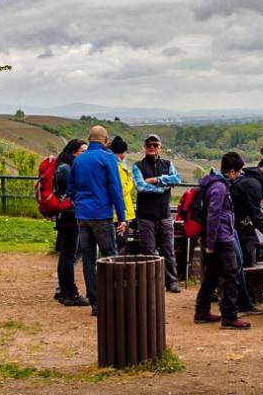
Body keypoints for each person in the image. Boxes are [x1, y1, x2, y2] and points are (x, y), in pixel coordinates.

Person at [67, 125, 126, 316]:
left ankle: (95, 303)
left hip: (82, 216)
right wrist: (122, 217)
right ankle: (116, 300)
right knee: (111, 256)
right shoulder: (108, 158)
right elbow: (115, 189)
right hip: (101, 215)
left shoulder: (79, 159)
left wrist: (80, 204)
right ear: (105, 140)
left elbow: (71, 189)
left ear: (89, 139)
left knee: (88, 260)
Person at [194, 152, 251, 329]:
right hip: (222, 237)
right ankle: (230, 316)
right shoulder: (219, 187)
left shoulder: (214, 183)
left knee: (212, 274)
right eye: (239, 171)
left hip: (216, 236)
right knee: (231, 274)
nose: (239, 174)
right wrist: (210, 244)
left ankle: (202, 311)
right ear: (232, 171)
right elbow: (213, 215)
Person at [132, 134, 182, 293]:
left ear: (160, 147)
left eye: (155, 144)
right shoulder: (137, 166)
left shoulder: (168, 163)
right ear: (144, 147)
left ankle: (171, 282)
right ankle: (152, 284)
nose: (152, 147)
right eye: (149, 145)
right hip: (145, 216)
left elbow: (177, 179)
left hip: (165, 215)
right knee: (148, 252)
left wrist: (156, 179)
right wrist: (163, 187)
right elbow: (140, 186)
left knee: (169, 250)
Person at [54, 138, 88, 306]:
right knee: (69, 255)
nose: (85, 155)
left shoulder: (63, 166)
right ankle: (69, 293)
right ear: (73, 152)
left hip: (66, 215)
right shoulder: (66, 169)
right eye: (83, 151)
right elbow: (74, 191)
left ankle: (63, 291)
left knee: (67, 254)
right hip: (70, 216)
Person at [109, 136, 136, 255]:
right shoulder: (117, 166)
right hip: (120, 213)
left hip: (117, 212)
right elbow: (121, 190)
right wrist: (131, 181)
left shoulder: (113, 164)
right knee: (120, 245)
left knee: (117, 245)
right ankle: (117, 271)